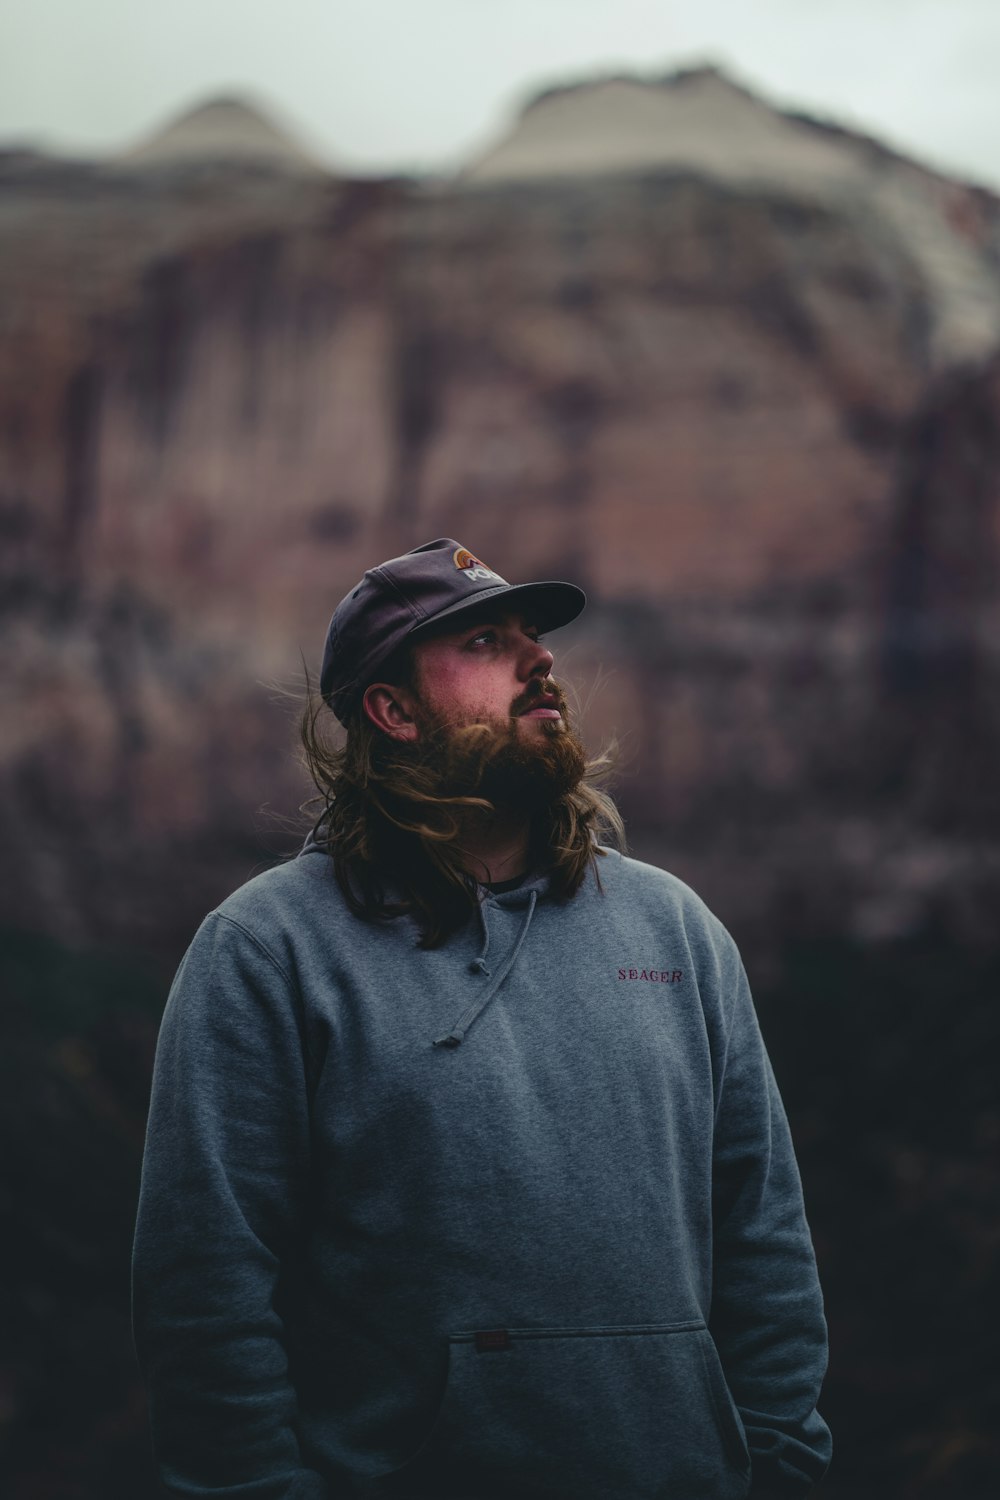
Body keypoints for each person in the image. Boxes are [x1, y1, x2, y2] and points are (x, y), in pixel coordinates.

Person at [132, 538, 832, 1499]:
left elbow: (766, 1247)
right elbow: (203, 1297)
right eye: (486, 640)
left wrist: (785, 1470)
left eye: (533, 637)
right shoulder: (266, 951)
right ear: (394, 710)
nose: (540, 660)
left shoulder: (678, 928)